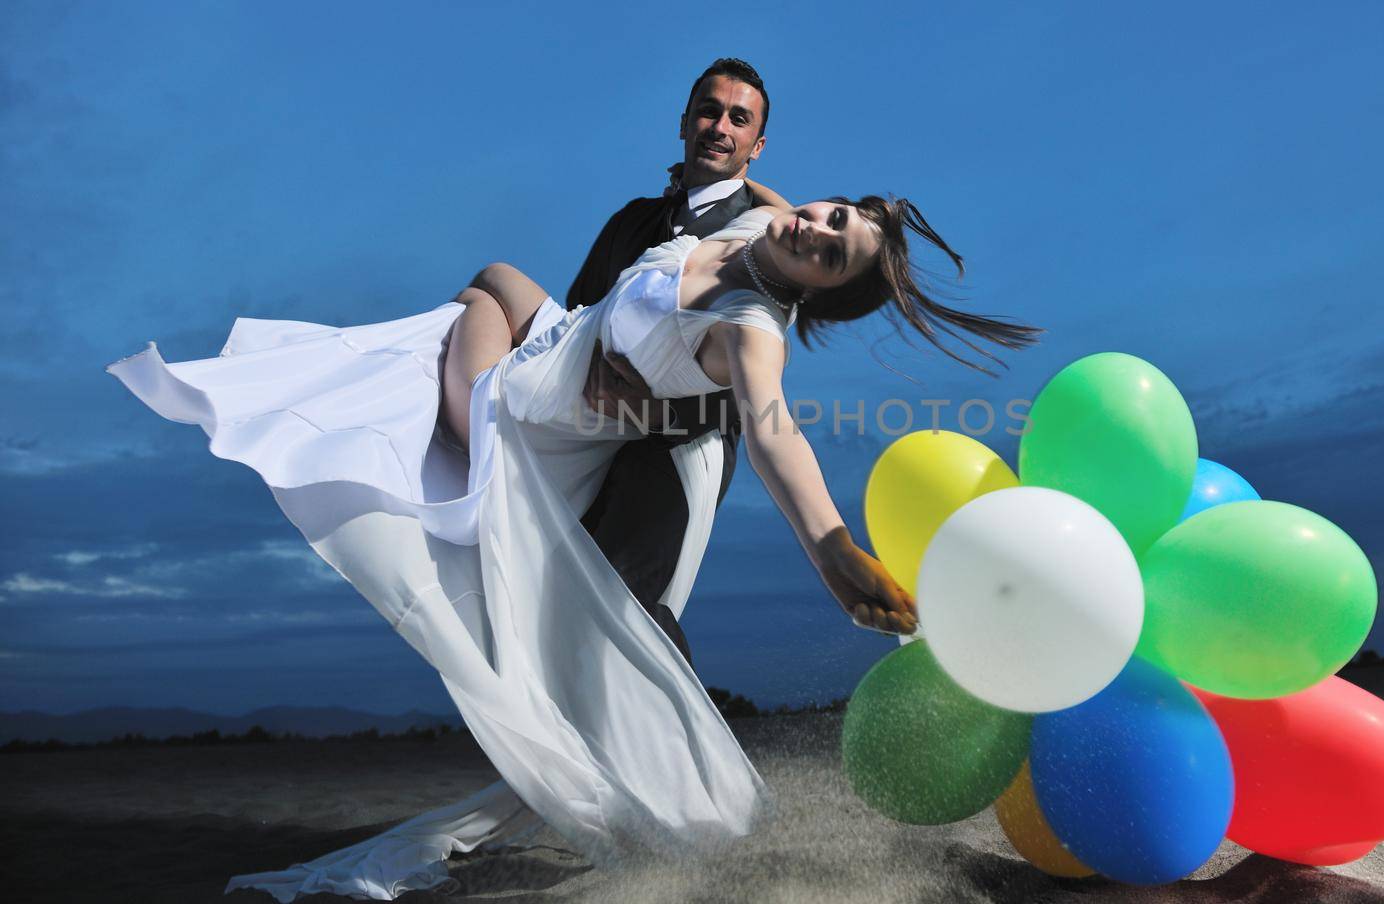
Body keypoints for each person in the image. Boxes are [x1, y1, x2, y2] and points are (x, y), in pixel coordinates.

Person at [108, 190, 1039, 899]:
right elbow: (779, 203)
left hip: (533, 411)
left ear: (819, 295)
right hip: (556, 341)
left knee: (478, 310)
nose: (816, 233)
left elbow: (772, 429)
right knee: (496, 279)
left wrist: (833, 546)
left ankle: (480, 461)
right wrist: (777, 196)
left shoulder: (753, 329)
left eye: (832, 255)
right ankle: (477, 443)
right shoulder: (772, 222)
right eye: (830, 217)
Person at [564, 57, 780, 665]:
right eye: (709, 111)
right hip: (588, 433)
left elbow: (757, 371)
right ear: (683, 123)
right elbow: (577, 313)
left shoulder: (765, 234)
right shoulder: (630, 221)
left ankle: (692, 757)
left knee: (625, 600)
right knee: (557, 597)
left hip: (683, 445)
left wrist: (658, 411)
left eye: (739, 120)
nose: (720, 126)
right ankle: (568, 761)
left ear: (756, 146)